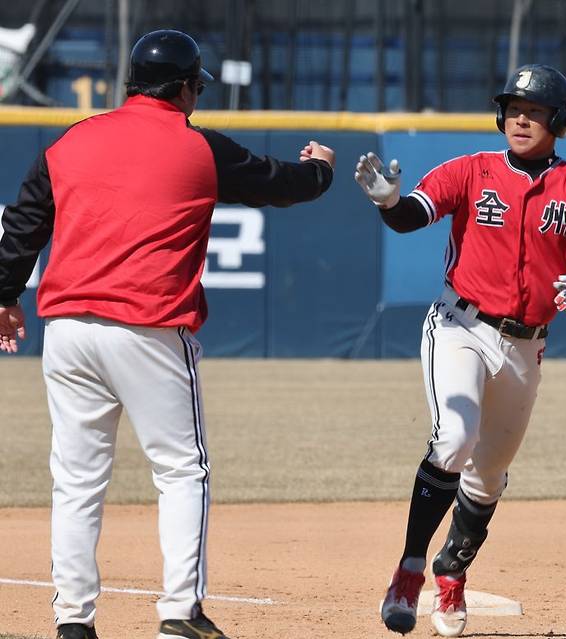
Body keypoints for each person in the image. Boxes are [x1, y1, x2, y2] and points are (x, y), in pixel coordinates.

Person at [0, 29, 334, 639]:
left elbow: (23, 225)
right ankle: (180, 613)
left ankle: (73, 622)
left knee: (76, 481)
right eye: (194, 88)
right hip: (149, 331)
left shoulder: (70, 141)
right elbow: (278, 183)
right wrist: (319, 173)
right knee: (183, 471)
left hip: (68, 333)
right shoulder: (196, 147)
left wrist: (2, 297)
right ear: (184, 87)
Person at [354, 64, 566, 637]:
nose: (520, 120)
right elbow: (413, 216)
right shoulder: (472, 171)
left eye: (534, 112)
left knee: (490, 473)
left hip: (527, 346)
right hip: (460, 325)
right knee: (453, 439)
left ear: (560, 122)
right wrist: (389, 203)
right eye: (513, 109)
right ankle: (408, 572)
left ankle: (451, 571)